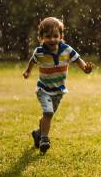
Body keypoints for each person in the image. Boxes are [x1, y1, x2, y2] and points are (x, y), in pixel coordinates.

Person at [22, 17, 94, 154]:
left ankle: (38, 133)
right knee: (48, 112)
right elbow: (32, 61)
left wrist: (86, 68)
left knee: (48, 115)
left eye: (55, 36)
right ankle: (44, 139)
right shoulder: (39, 52)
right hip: (43, 88)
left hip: (59, 90)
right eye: (48, 36)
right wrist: (27, 71)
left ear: (61, 36)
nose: (52, 39)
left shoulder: (67, 50)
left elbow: (78, 60)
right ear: (41, 37)